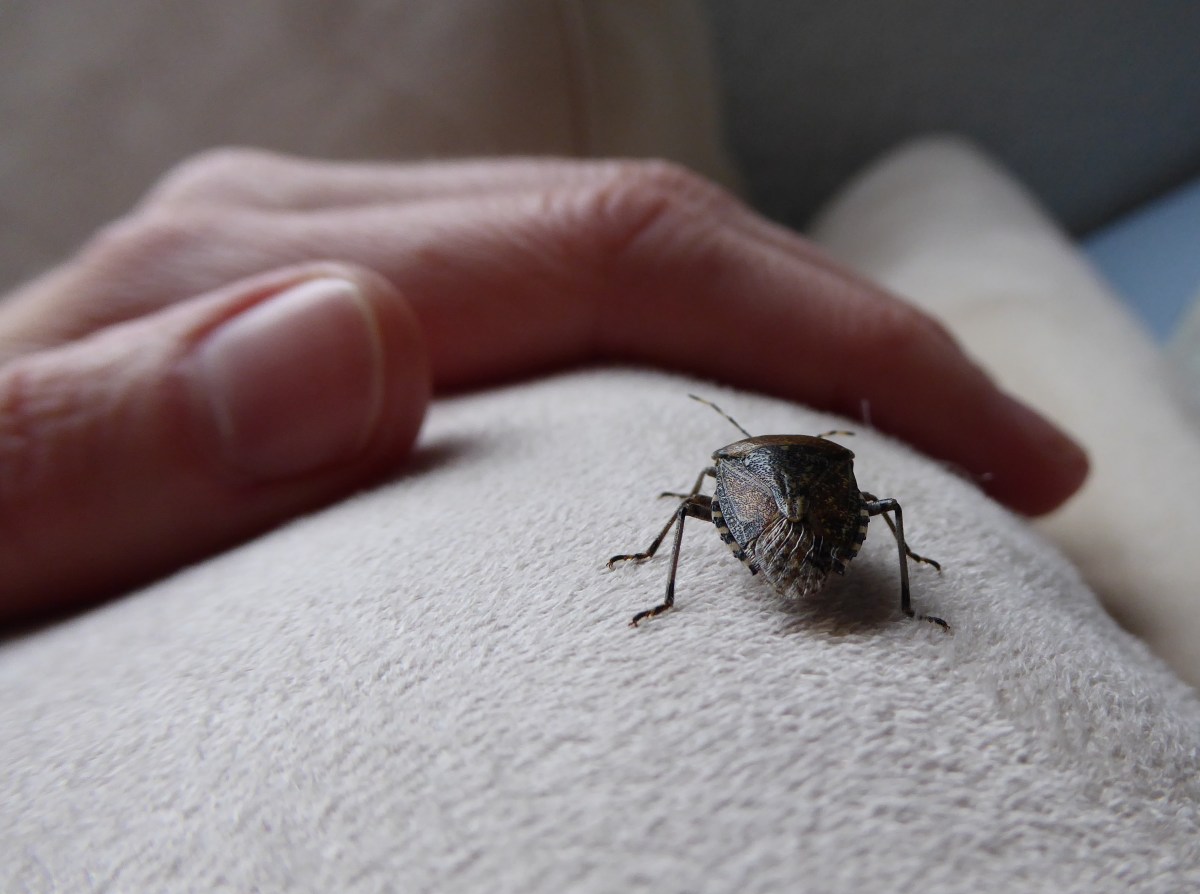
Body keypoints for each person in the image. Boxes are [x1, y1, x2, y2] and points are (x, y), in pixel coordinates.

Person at [0, 151, 1087, 621]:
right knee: (878, 513)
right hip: (839, 528)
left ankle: (663, 588)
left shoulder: (723, 479)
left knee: (683, 511)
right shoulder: (834, 474)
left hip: (779, 512)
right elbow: (872, 508)